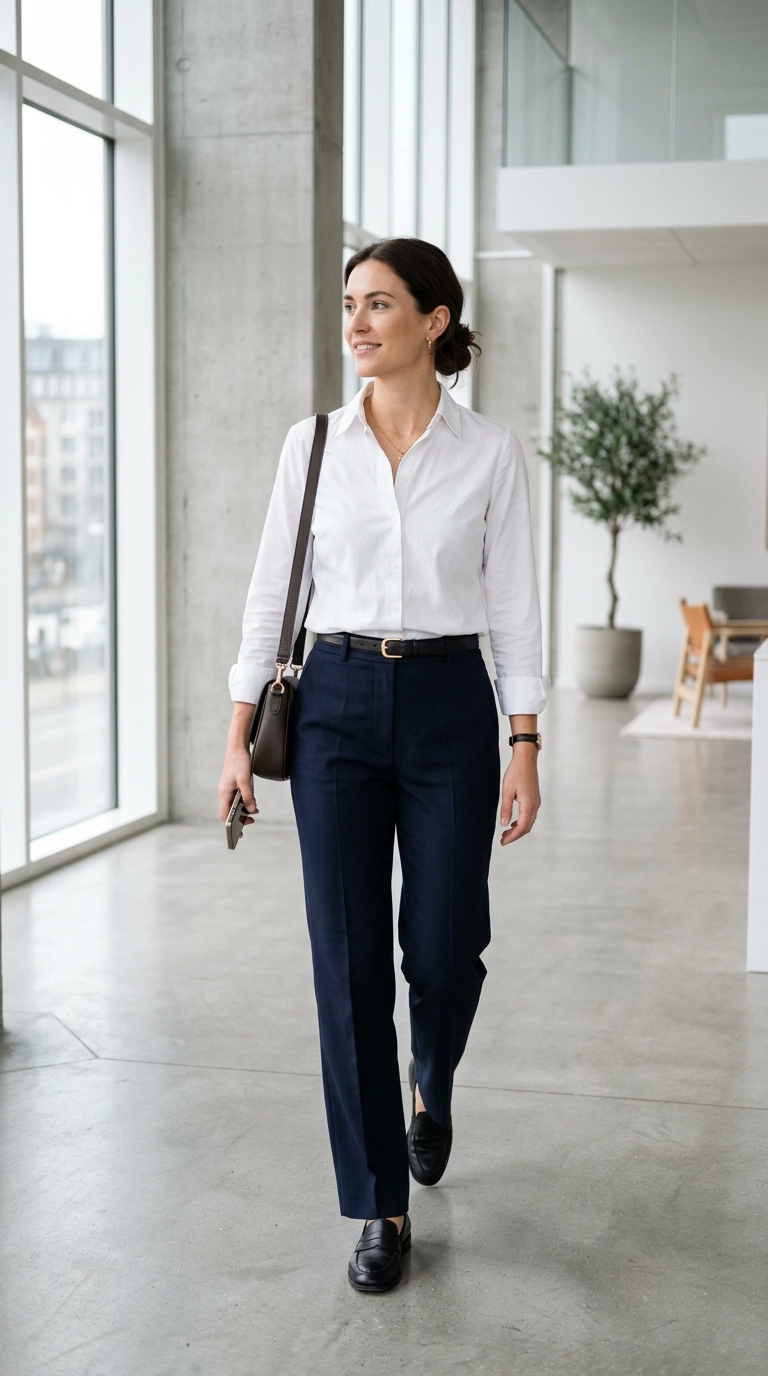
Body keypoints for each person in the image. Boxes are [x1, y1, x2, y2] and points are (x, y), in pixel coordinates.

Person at [219, 237, 548, 1293]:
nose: (357, 322)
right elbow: (271, 592)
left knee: (447, 942)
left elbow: (515, 612)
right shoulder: (312, 446)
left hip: (454, 701)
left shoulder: (489, 455)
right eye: (350, 305)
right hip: (336, 708)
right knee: (348, 961)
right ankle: (379, 1203)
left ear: (436, 320)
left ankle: (431, 1073)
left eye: (380, 304)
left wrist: (526, 742)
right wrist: (236, 732)